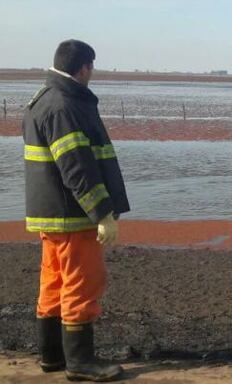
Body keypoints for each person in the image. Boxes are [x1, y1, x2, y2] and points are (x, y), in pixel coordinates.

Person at [23, 40, 130, 382]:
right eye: (92, 68)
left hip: (53, 214)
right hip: (73, 216)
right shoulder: (64, 104)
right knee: (83, 283)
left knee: (54, 283)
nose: (92, 74)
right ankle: (81, 362)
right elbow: (77, 168)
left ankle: (52, 356)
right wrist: (102, 213)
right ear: (83, 68)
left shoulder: (45, 99)